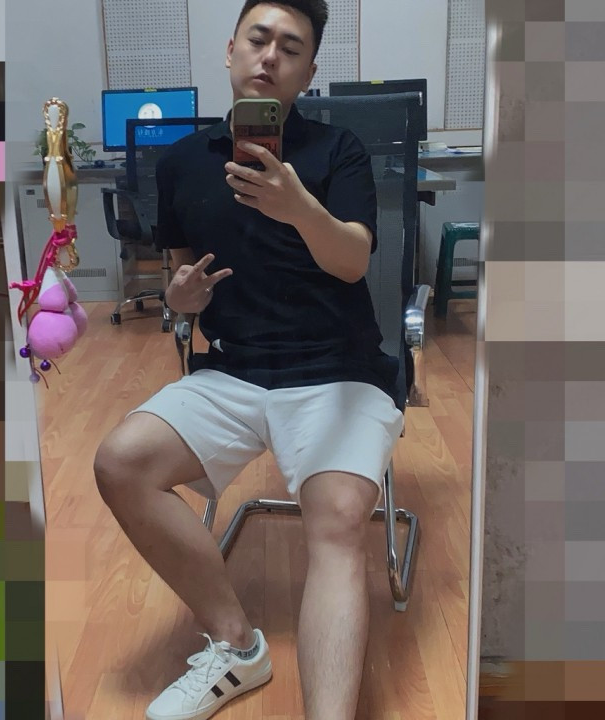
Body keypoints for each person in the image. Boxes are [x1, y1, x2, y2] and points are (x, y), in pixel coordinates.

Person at [94, 2, 404, 718]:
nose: (270, 57)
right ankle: (236, 647)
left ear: (308, 72)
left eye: (290, 48)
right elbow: (181, 278)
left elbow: (354, 262)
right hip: (233, 369)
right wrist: (181, 298)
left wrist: (297, 206)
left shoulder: (339, 152)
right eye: (258, 39)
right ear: (230, 49)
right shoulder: (181, 163)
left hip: (338, 370)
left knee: (336, 517)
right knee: (120, 463)